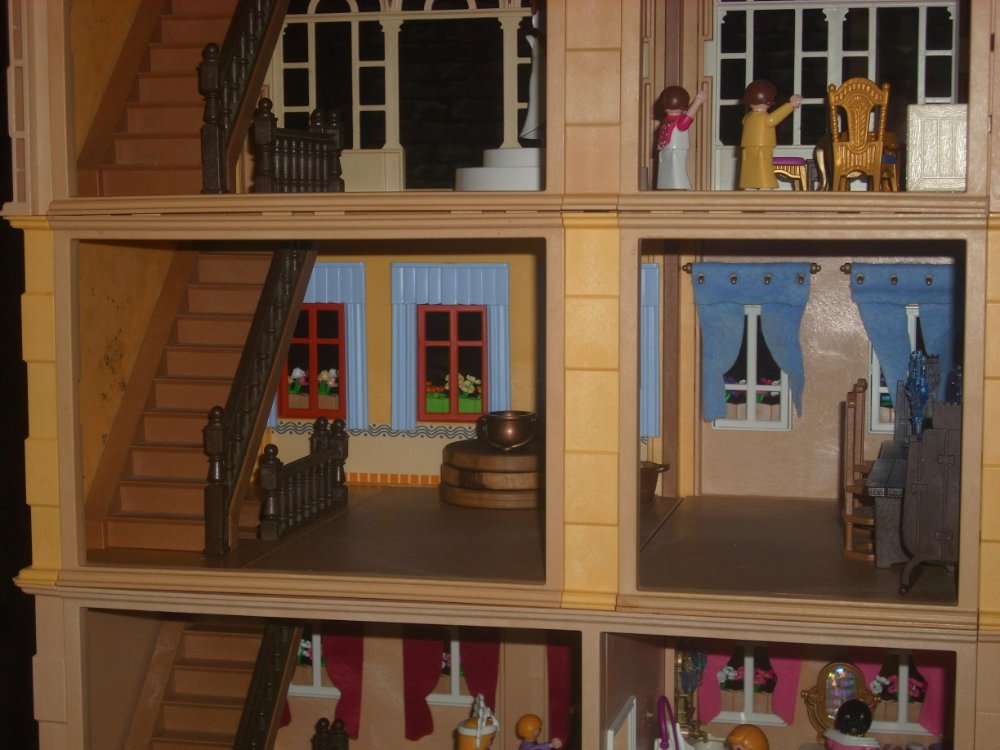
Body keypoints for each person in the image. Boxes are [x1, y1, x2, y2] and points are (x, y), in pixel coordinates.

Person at [738, 79, 802, 190]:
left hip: (747, 147)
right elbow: (775, 117)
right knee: (763, 166)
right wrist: (790, 105)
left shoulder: (747, 117)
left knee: (748, 166)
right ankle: (764, 184)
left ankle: (748, 184)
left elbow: (744, 122)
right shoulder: (765, 118)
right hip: (763, 146)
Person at [655, 84, 707, 189]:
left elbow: (688, 117)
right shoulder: (669, 121)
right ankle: (667, 185)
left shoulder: (674, 121)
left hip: (675, 149)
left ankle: (678, 185)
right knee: (667, 171)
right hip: (667, 149)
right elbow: (688, 116)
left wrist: (698, 102)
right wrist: (698, 101)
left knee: (676, 170)